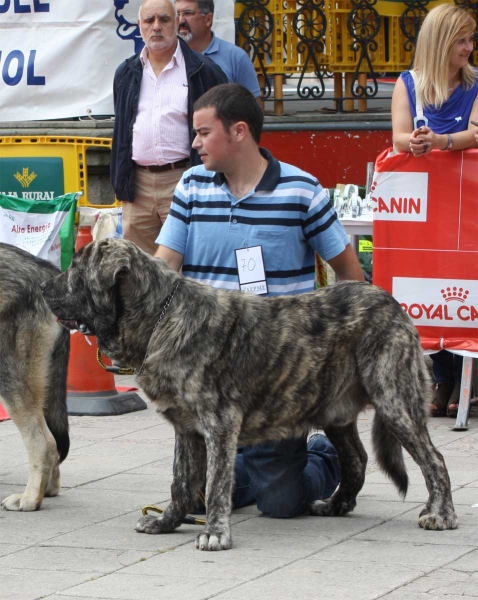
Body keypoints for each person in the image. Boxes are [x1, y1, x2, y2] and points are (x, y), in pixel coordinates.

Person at [154, 82, 365, 519]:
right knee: (197, 496)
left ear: (239, 132)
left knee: (282, 505)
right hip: (207, 372)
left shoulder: (301, 191)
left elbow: (350, 278)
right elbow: (162, 271)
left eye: (202, 132)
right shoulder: (192, 186)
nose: (193, 144)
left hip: (274, 376)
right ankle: (245, 466)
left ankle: (323, 450)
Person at [391, 4, 478, 418]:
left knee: (467, 280)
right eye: (462, 40)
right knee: (432, 282)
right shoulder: (408, 84)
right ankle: (441, 377)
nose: (469, 47)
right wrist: (417, 142)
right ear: (441, 43)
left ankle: (467, 377)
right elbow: (398, 136)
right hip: (427, 208)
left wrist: (439, 142)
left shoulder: (477, 84)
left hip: (468, 203)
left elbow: (477, 134)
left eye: (470, 39)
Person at [110, 0, 227, 256]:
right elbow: (122, 132)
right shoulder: (126, 72)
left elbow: (223, 128)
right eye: (149, 21)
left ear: (176, 24)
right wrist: (121, 182)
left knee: (191, 262)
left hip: (185, 178)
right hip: (137, 186)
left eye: (164, 20)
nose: (156, 27)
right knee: (140, 272)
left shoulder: (204, 71)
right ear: (139, 26)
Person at [176, 0, 261, 100]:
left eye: (188, 13)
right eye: (177, 14)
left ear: (208, 19)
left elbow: (253, 110)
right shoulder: (168, 56)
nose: (181, 20)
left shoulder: (236, 57)